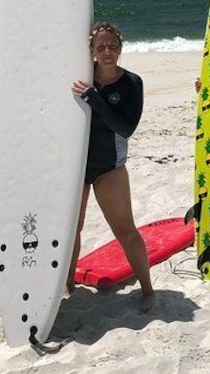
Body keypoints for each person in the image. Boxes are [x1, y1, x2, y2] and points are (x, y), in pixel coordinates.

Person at [68, 22, 155, 312]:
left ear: (120, 49)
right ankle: (67, 285)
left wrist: (94, 98)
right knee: (71, 230)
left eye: (113, 46)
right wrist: (4, 81)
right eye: (101, 47)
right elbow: (37, 88)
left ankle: (147, 288)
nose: (107, 52)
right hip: (75, 167)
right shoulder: (79, 77)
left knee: (125, 229)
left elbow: (125, 127)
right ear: (91, 50)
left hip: (110, 167)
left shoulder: (131, 83)